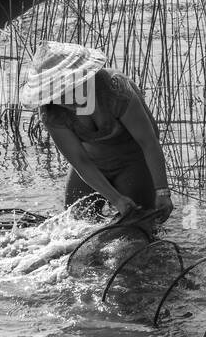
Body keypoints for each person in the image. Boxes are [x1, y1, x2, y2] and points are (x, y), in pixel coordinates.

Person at [19, 41, 173, 223]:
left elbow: (148, 141)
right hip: (91, 165)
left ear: (82, 77)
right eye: (56, 95)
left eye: (68, 88)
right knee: (75, 227)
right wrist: (116, 199)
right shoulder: (51, 112)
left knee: (137, 226)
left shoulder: (115, 88)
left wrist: (162, 191)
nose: (65, 99)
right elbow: (80, 161)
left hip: (133, 162)